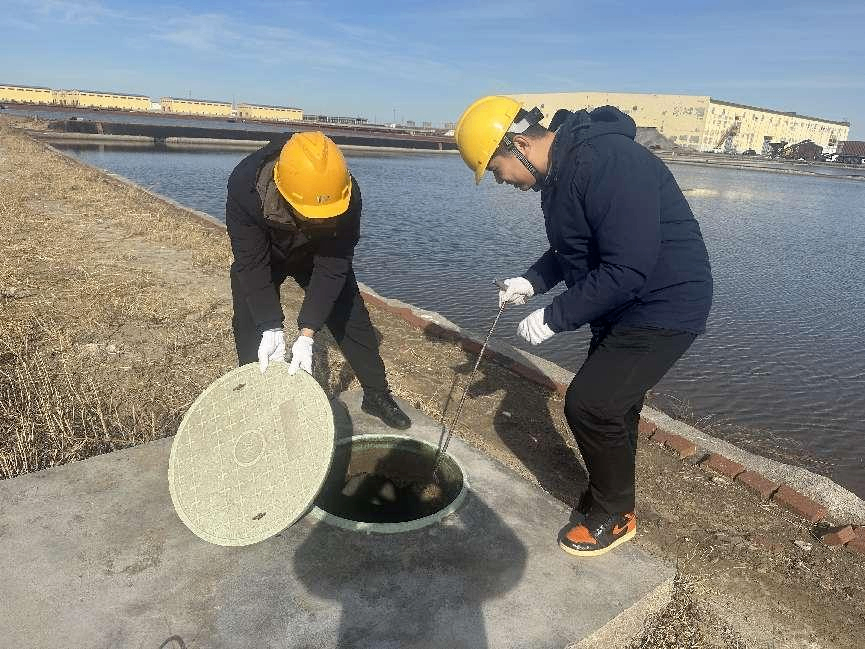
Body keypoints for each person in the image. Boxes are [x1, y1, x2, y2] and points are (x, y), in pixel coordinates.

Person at [454, 96, 713, 557]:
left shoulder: (608, 161)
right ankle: (611, 494)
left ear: (518, 146)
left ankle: (615, 515)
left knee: (591, 405)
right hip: (620, 302)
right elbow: (572, 248)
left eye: (495, 170)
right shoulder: (559, 174)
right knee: (614, 406)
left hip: (664, 301)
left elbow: (628, 266)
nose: (500, 181)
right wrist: (531, 283)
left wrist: (555, 316)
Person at [226, 131, 410, 430]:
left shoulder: (345, 194)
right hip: (265, 252)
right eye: (312, 215)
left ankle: (376, 394)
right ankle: (258, 396)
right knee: (250, 318)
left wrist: (307, 334)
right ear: (284, 193)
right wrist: (271, 325)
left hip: (319, 252)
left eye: (326, 215)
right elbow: (251, 263)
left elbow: (334, 265)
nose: (320, 220)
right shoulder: (246, 185)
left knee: (350, 313)